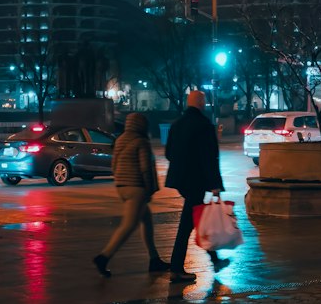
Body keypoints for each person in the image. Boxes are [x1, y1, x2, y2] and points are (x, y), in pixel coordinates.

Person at [93, 113, 168, 278]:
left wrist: (120, 181)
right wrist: (149, 190)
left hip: (123, 187)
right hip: (137, 188)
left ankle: (154, 259)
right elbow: (145, 168)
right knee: (129, 225)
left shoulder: (119, 140)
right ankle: (104, 257)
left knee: (146, 222)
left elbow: (114, 164)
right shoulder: (141, 142)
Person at [164, 90, 228, 284]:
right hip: (197, 181)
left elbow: (168, 153)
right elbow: (208, 157)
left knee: (196, 219)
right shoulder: (203, 125)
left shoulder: (177, 125)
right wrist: (215, 184)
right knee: (188, 224)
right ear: (201, 103)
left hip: (182, 181)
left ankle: (214, 259)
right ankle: (176, 268)